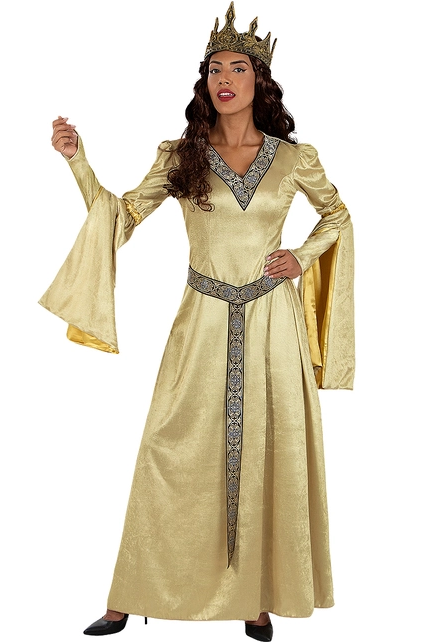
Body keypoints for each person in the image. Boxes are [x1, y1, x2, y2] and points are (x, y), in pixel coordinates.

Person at [41, 3, 354, 640]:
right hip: (201, 324)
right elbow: (121, 217)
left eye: (238, 68)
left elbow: (338, 217)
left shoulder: (294, 158)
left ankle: (257, 600)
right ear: (204, 81)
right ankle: (128, 596)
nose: (224, 79)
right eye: (215, 69)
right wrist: (78, 161)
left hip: (272, 326)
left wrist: (301, 256)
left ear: (260, 81)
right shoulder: (181, 155)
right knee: (168, 450)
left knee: (267, 451)